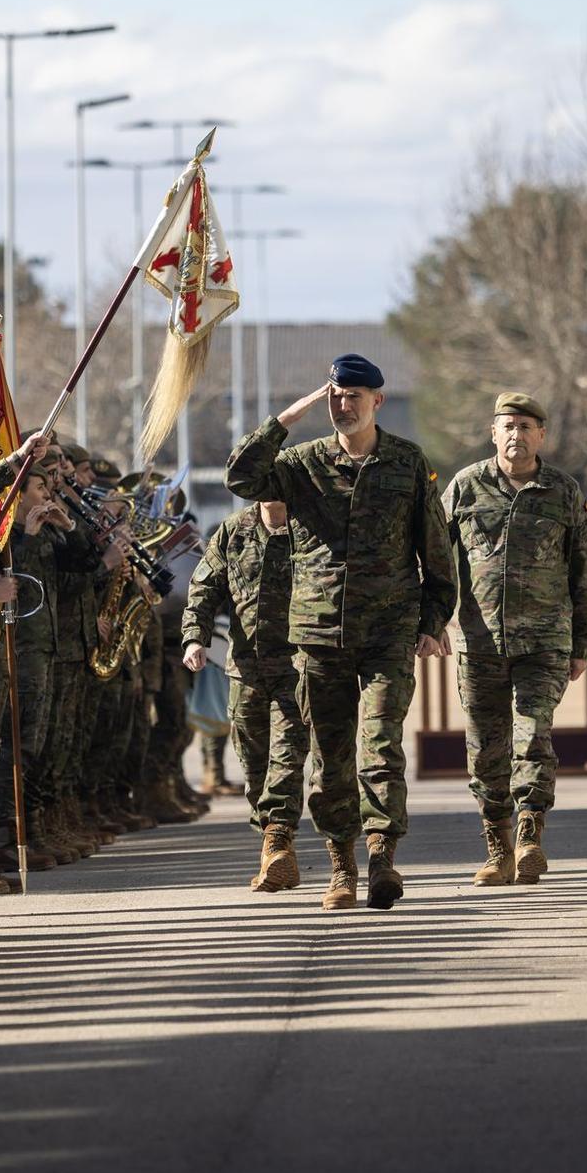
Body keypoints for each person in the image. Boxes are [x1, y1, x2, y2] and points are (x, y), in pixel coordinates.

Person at [226, 353, 455, 911]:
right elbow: (241, 477)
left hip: (388, 632)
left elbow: (434, 548)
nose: (342, 405)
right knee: (330, 759)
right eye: (333, 396)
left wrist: (432, 622)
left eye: (353, 396)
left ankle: (382, 857)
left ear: (377, 400)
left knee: (380, 747)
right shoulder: (300, 463)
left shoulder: (406, 462)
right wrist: (286, 419)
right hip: (319, 633)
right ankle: (341, 866)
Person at [440, 391, 587, 886]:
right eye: (508, 426)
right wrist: (430, 621)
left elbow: (583, 571)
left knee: (532, 737)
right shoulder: (465, 487)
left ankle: (530, 833)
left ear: (541, 436)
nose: (516, 435)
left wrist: (581, 643)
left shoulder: (563, 491)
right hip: (479, 642)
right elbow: (436, 560)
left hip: (544, 642)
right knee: (486, 749)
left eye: (526, 427)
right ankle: (498, 846)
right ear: (493, 433)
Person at [183, 499, 309, 891]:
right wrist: (195, 638)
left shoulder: (310, 526)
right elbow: (204, 588)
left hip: (297, 667)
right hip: (246, 670)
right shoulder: (232, 531)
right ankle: (273, 846)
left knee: (287, 756)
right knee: (254, 765)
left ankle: (279, 839)